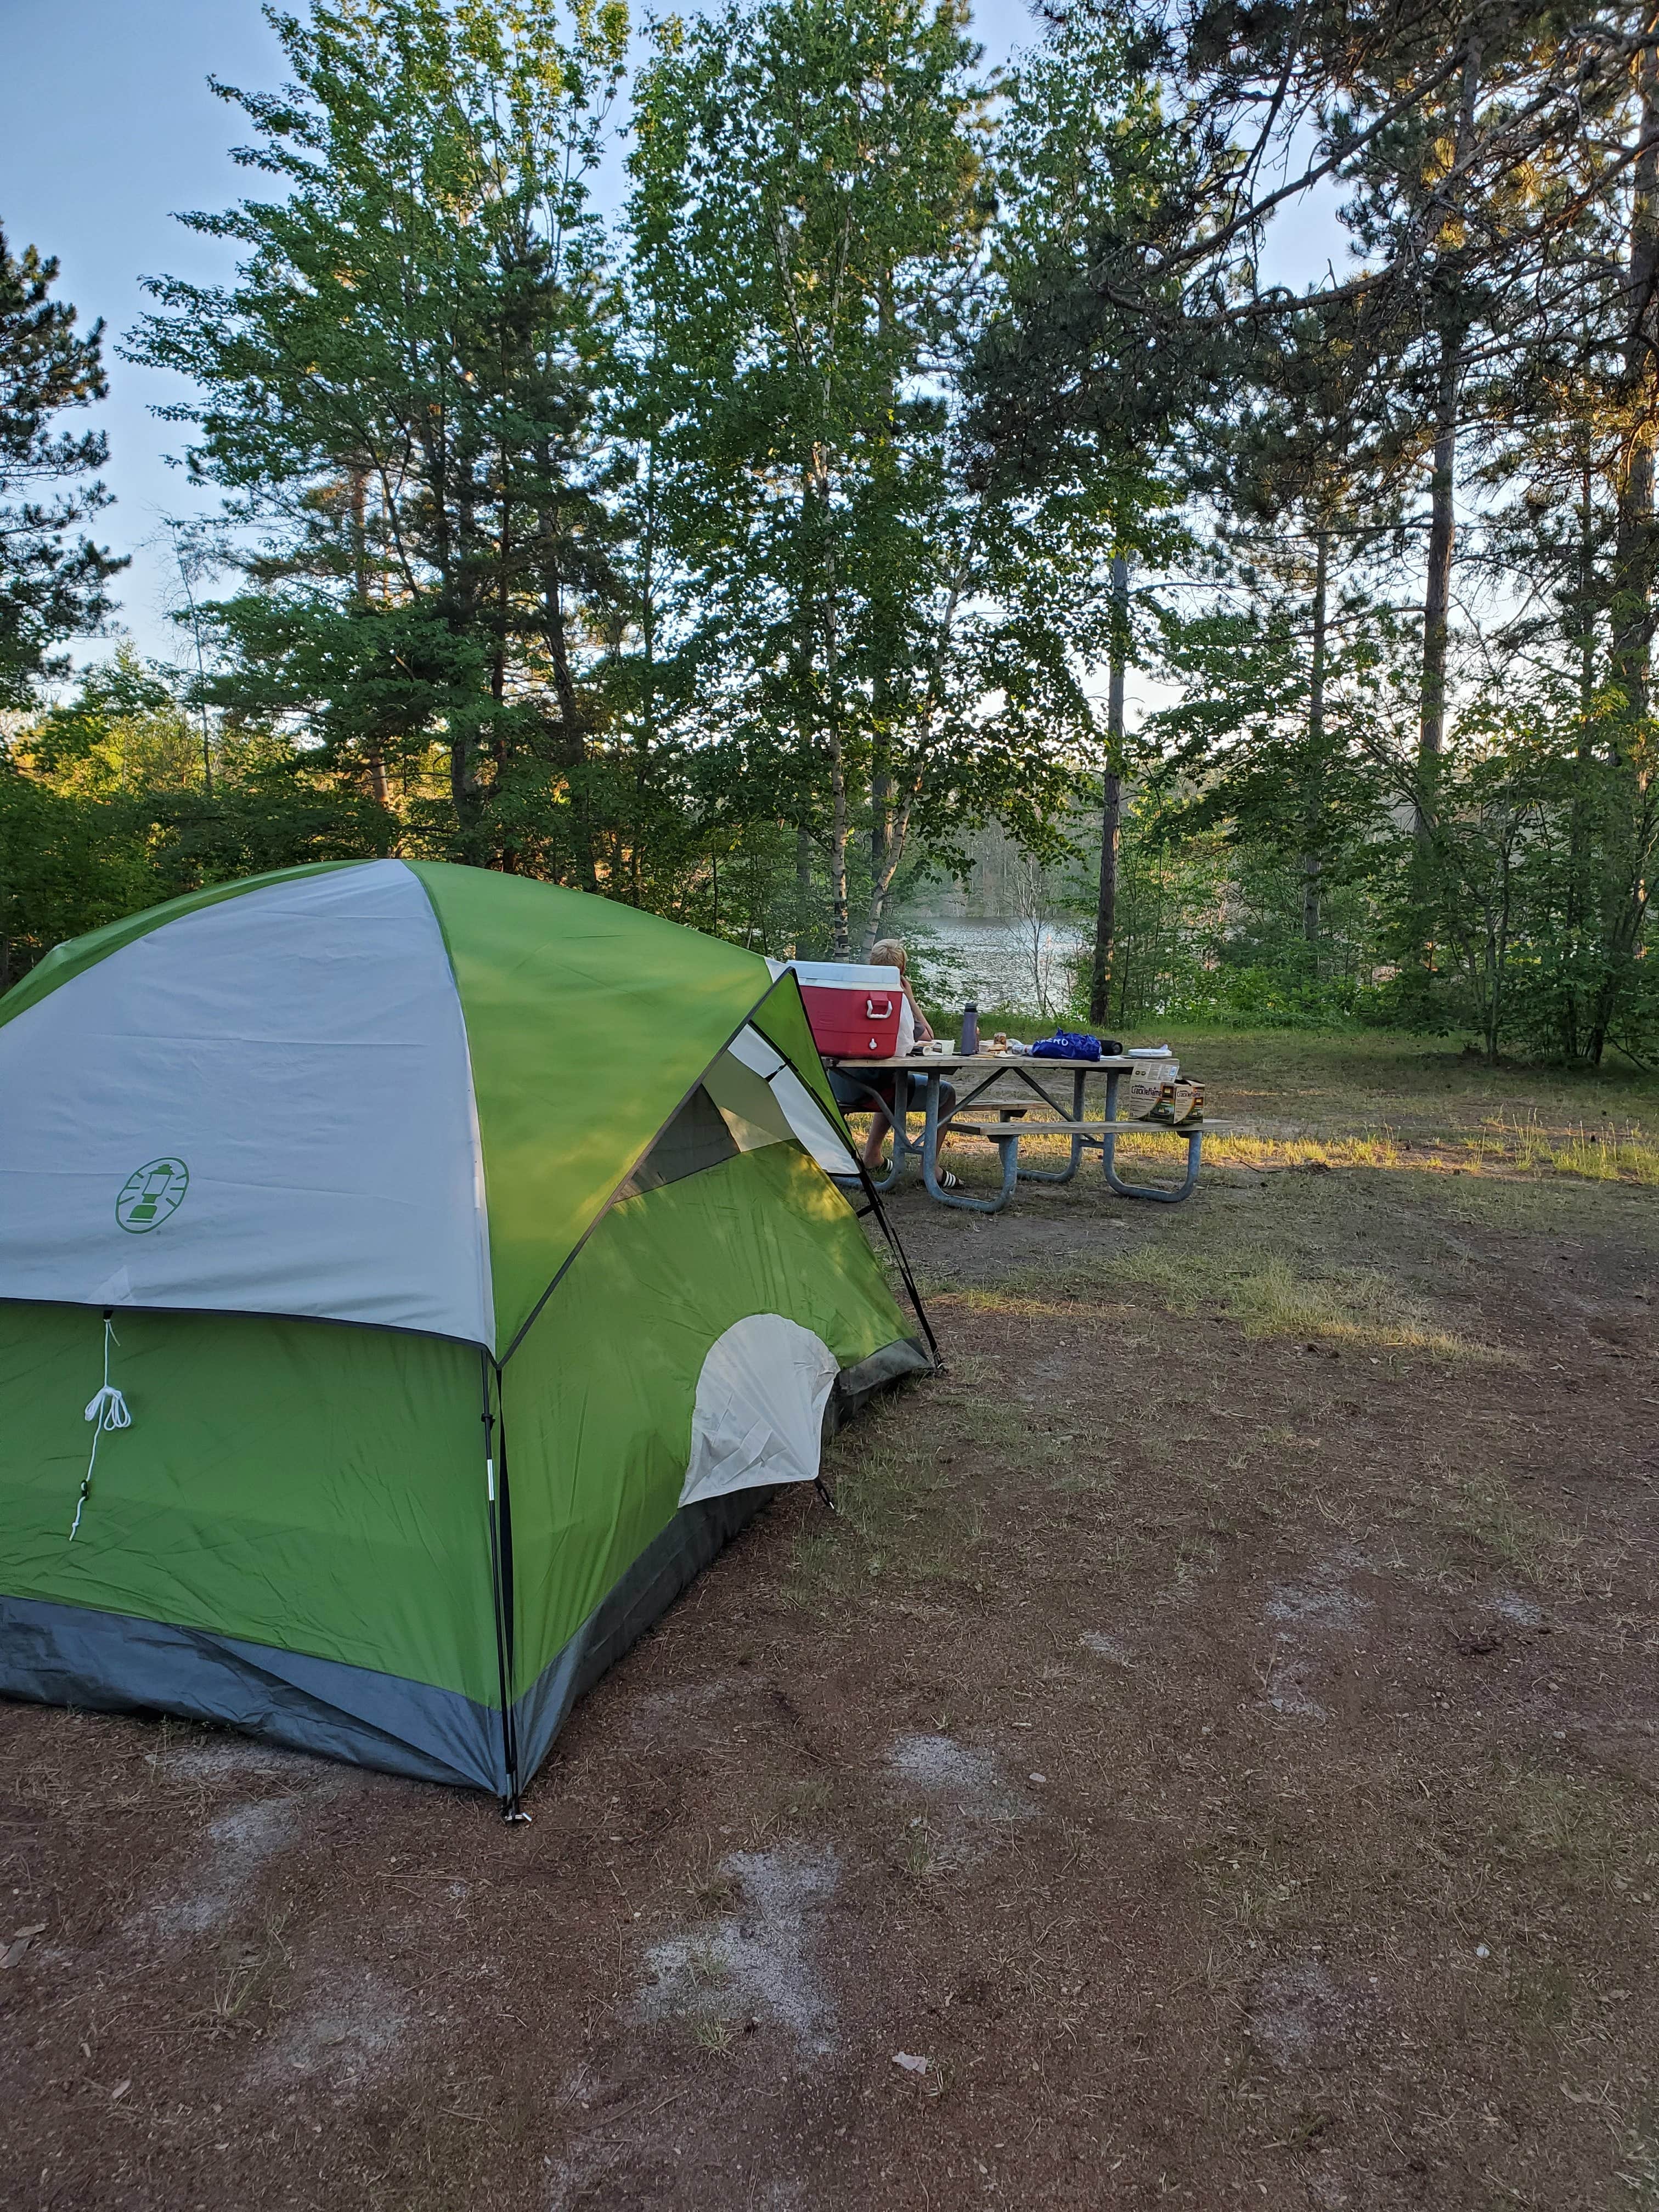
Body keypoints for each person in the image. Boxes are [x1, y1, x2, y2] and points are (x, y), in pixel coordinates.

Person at [829, 939, 959, 1185]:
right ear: (902, 971)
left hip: (837, 1085)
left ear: (870, 964)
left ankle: (872, 1156)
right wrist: (910, 998)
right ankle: (930, 1169)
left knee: (896, 1083)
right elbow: (928, 1038)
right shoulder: (893, 1001)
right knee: (946, 1094)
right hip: (872, 1091)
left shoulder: (848, 993)